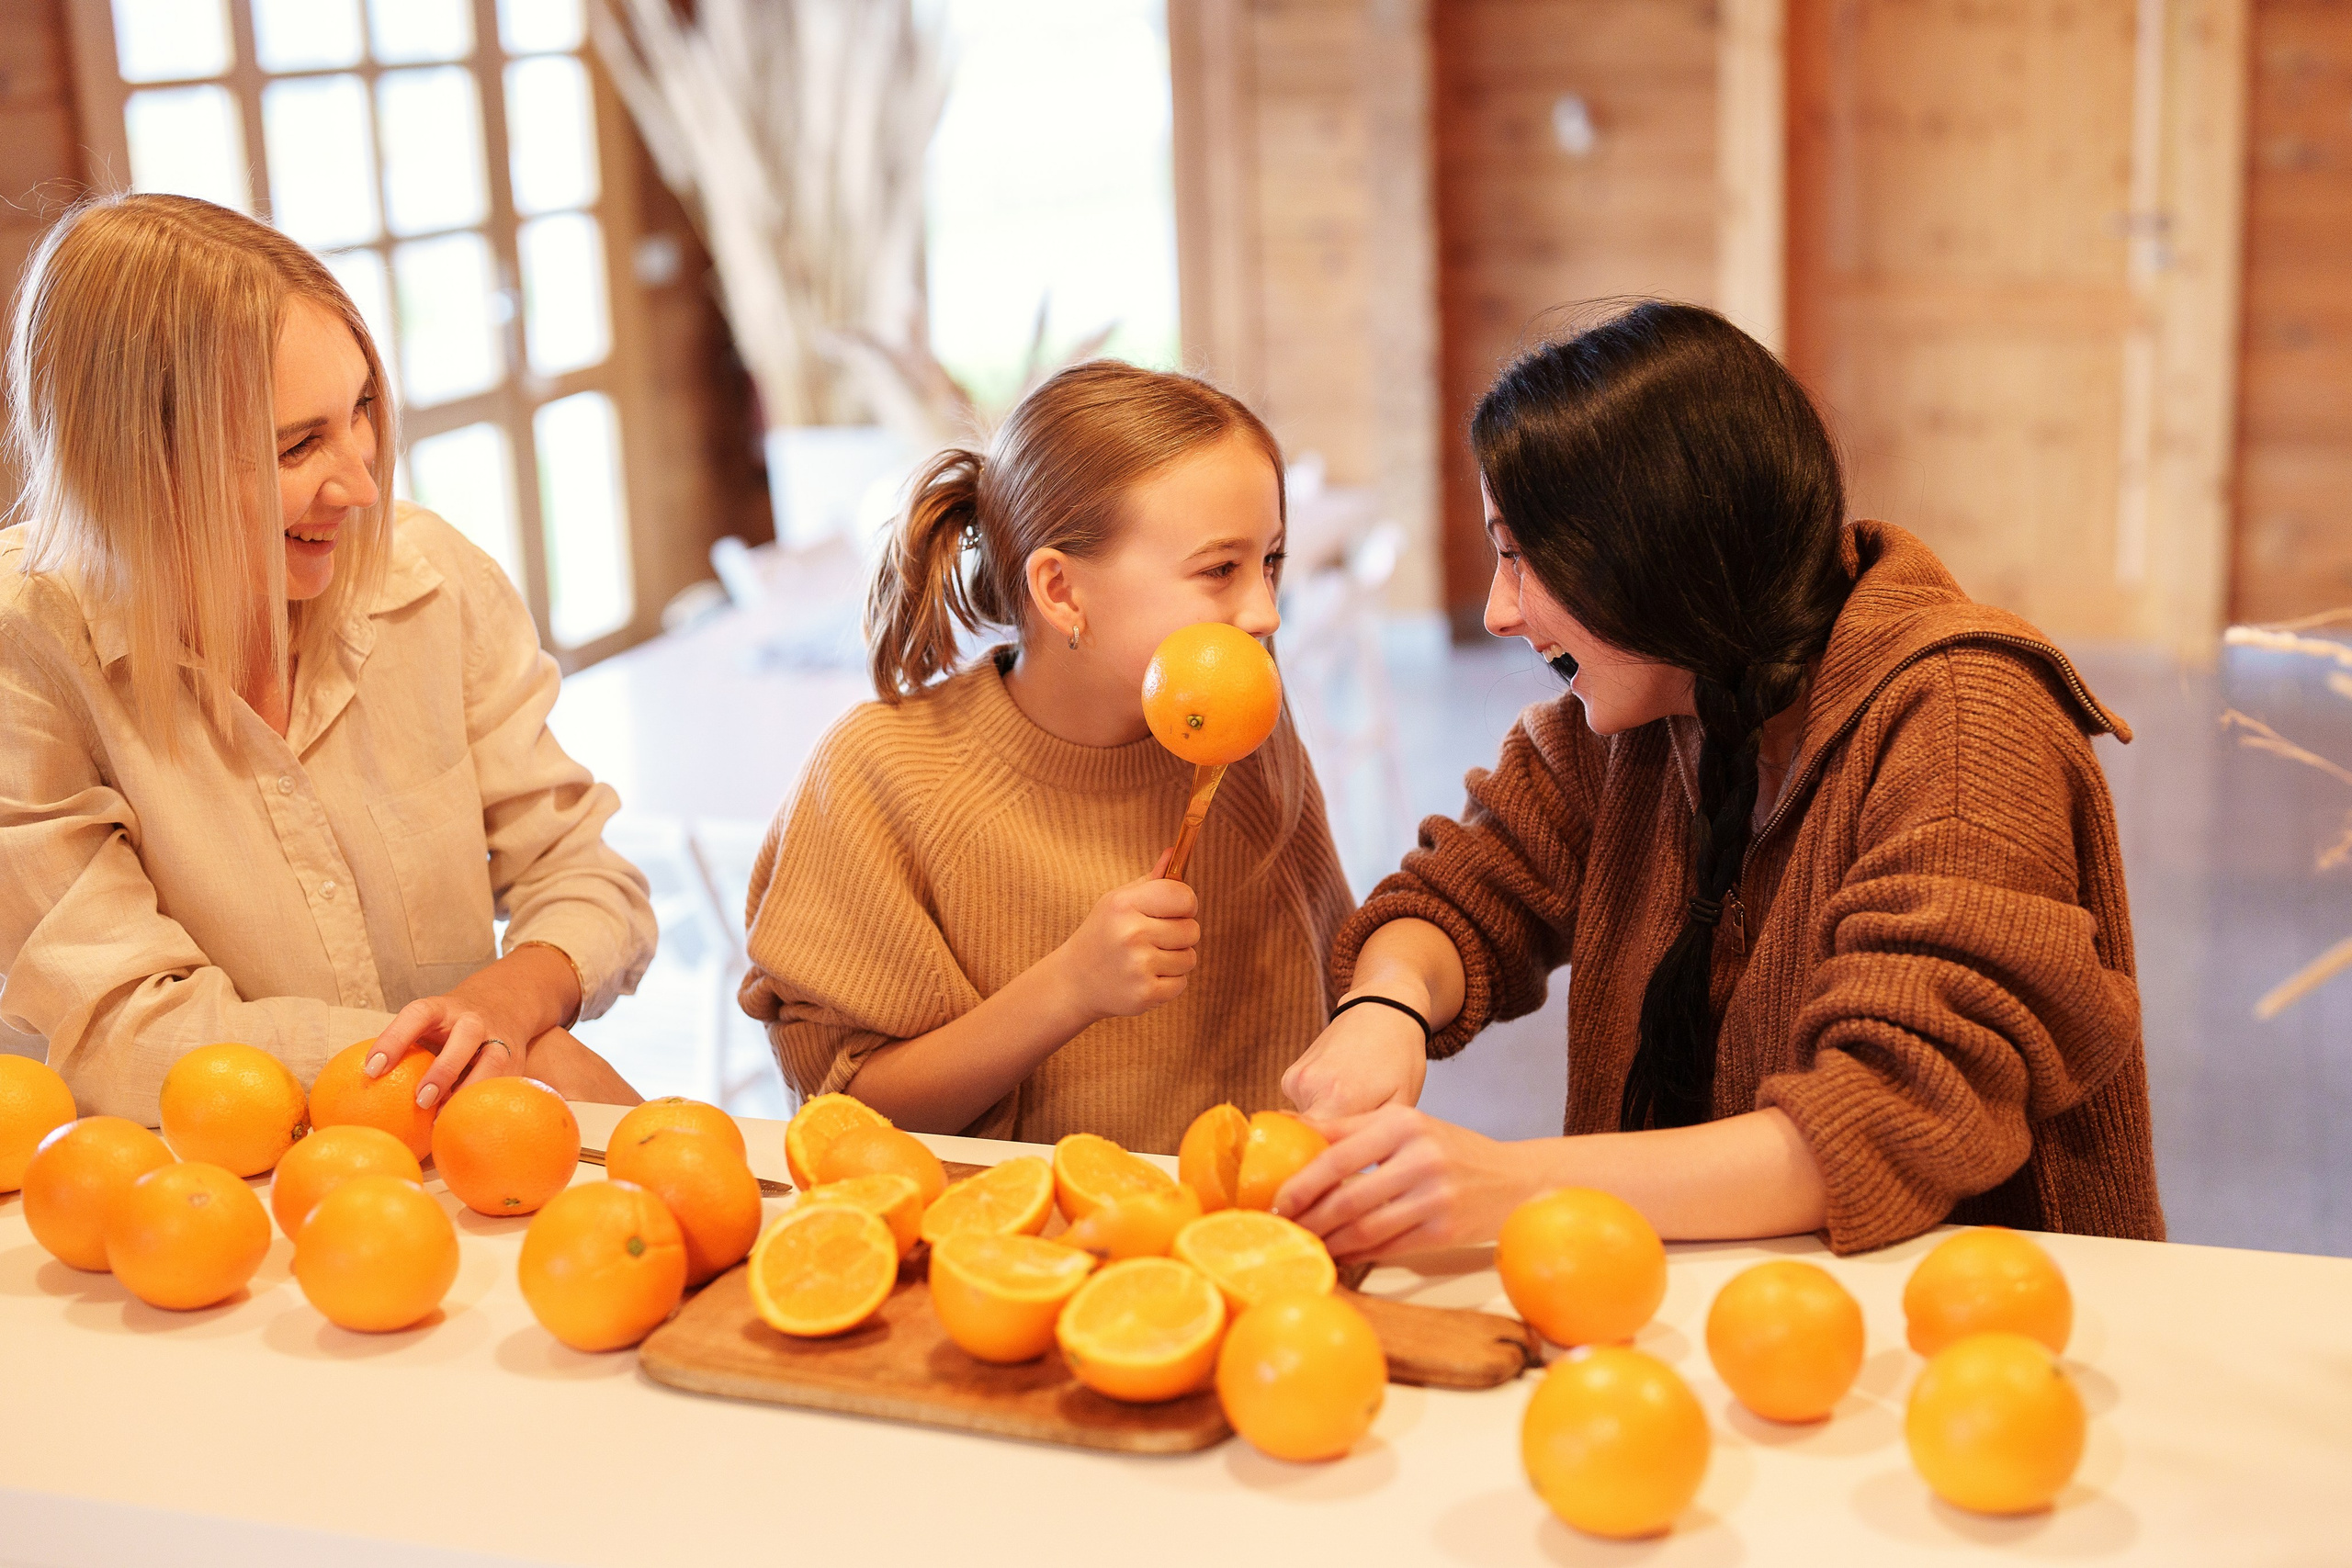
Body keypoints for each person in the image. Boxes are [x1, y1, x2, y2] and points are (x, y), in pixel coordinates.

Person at [1274, 302, 2164, 1258]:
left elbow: (1894, 1114)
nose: (1498, 611)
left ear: (1654, 552)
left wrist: (1513, 1183)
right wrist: (1386, 1006)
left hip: (1960, 1329)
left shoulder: (1965, 716)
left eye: (1520, 558)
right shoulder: (1636, 717)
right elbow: (1461, 892)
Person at [0, 193, 653, 1118]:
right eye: (297, 445)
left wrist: (508, 1007)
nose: (362, 480)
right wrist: (462, 1049)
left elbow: (584, 869)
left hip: (446, 1162)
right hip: (188, 1200)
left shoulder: (429, 579)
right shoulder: (23, 656)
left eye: (360, 410)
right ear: (136, 469)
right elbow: (126, 1032)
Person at [740, 361, 1353, 1152]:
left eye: (1271, 561)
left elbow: (1334, 970)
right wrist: (1070, 987)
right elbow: (848, 1122)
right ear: (1061, 591)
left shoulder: (1248, 727)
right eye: (1220, 570)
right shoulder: (878, 774)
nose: (1266, 612)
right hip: (1024, 1249)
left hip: (1257, 1232)